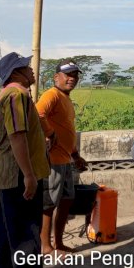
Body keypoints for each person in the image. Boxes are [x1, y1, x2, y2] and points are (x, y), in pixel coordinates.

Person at [0, 52, 59, 268]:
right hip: (19, 175)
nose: (32, 71)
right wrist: (29, 176)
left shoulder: (12, 94)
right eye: (27, 67)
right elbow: (18, 137)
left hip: (11, 175)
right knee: (27, 235)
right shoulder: (17, 96)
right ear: (15, 72)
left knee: (9, 233)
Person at [36, 59, 88, 256]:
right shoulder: (51, 95)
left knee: (66, 202)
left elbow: (67, 131)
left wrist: (75, 155)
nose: (72, 79)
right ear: (56, 77)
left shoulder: (65, 98)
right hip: (53, 160)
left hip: (66, 159)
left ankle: (58, 242)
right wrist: (49, 133)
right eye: (68, 75)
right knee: (48, 204)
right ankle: (46, 247)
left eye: (75, 75)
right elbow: (38, 113)